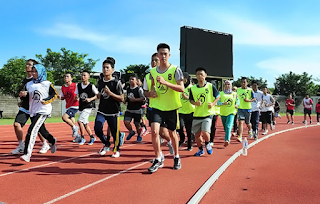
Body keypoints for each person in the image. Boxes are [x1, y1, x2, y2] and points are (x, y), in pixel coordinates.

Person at [144, 43, 184, 173]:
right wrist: (151, 93)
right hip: (157, 106)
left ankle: (176, 156)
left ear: (169, 55)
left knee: (172, 133)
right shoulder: (152, 72)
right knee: (155, 132)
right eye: (161, 54)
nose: (163, 56)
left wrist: (166, 83)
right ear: (157, 55)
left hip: (171, 107)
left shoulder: (175, 70)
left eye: (165, 54)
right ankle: (158, 158)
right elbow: (149, 89)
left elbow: (181, 88)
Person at [19, 64, 58, 162]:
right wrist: (23, 95)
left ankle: (27, 154)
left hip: (43, 110)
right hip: (33, 110)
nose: (34, 73)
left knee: (32, 130)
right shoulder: (29, 84)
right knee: (42, 131)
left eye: (36, 71)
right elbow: (26, 95)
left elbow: (54, 95)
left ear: (41, 72)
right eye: (33, 71)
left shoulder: (47, 83)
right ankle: (52, 140)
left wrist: (46, 100)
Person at [11, 59, 50, 155]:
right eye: (26, 64)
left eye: (29, 65)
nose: (26, 66)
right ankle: (21, 145)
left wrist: (28, 93)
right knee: (16, 124)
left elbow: (42, 93)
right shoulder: (25, 81)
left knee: (38, 128)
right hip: (25, 107)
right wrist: (21, 96)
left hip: (36, 108)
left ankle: (45, 144)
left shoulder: (39, 80)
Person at [143, 53, 174, 161]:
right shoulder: (147, 76)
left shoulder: (169, 73)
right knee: (156, 132)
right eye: (152, 60)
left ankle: (170, 142)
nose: (154, 62)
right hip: (153, 108)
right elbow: (145, 92)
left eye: (156, 60)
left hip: (167, 108)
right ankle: (159, 155)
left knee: (164, 132)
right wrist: (149, 94)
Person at [94, 57, 125, 158]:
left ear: (112, 69)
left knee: (115, 132)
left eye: (107, 67)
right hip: (102, 110)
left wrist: (110, 93)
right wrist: (98, 95)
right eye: (103, 67)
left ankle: (116, 149)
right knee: (97, 128)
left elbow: (122, 98)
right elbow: (99, 94)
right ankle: (106, 143)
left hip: (113, 111)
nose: (105, 69)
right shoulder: (100, 82)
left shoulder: (116, 83)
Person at [189, 67, 220, 156]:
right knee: (197, 135)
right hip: (197, 114)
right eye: (198, 74)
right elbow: (190, 100)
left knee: (205, 132)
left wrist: (213, 104)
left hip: (208, 113)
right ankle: (200, 149)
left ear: (205, 75)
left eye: (201, 74)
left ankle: (207, 143)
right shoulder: (193, 88)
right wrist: (195, 103)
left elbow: (218, 96)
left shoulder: (210, 86)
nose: (200, 76)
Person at [75, 71, 99, 145]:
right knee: (85, 123)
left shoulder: (91, 86)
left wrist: (90, 99)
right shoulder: (78, 85)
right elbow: (77, 94)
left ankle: (82, 138)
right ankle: (92, 137)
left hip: (89, 106)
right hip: (82, 106)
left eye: (85, 75)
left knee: (79, 121)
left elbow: (97, 95)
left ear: (88, 77)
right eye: (82, 75)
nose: (83, 77)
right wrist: (77, 97)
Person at [57, 73, 81, 141]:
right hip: (68, 106)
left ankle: (75, 128)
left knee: (64, 117)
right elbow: (63, 98)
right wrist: (60, 97)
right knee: (72, 122)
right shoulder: (63, 87)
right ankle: (78, 136)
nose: (65, 78)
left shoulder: (75, 85)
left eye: (67, 76)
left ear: (71, 78)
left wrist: (78, 97)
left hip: (75, 105)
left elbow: (80, 93)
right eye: (65, 76)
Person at [217, 80, 239, 146]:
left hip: (231, 112)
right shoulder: (221, 94)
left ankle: (227, 140)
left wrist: (237, 105)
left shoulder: (234, 94)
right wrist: (222, 103)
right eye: (226, 84)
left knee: (228, 126)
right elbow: (217, 103)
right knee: (225, 127)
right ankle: (228, 135)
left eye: (228, 84)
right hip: (223, 113)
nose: (227, 86)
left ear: (231, 85)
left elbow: (238, 101)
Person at [124, 74, 145, 142]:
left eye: (132, 79)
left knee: (137, 125)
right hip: (129, 109)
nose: (130, 80)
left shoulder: (139, 89)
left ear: (136, 81)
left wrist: (135, 100)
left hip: (137, 110)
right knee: (126, 122)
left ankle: (139, 135)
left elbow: (143, 98)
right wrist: (124, 100)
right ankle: (131, 131)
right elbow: (127, 97)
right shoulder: (128, 89)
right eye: (130, 79)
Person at [177, 72, 194, 151]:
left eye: (183, 78)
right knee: (179, 126)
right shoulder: (179, 87)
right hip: (180, 110)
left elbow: (194, 100)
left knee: (188, 129)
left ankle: (190, 145)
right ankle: (182, 138)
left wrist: (186, 97)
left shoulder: (192, 88)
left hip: (190, 111)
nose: (181, 79)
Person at [236, 77, 255, 142]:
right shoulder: (238, 90)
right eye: (242, 82)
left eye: (244, 82)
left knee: (248, 123)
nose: (243, 83)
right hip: (240, 108)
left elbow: (254, 99)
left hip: (248, 109)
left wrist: (248, 100)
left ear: (247, 83)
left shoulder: (250, 90)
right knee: (240, 122)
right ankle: (240, 136)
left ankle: (250, 130)